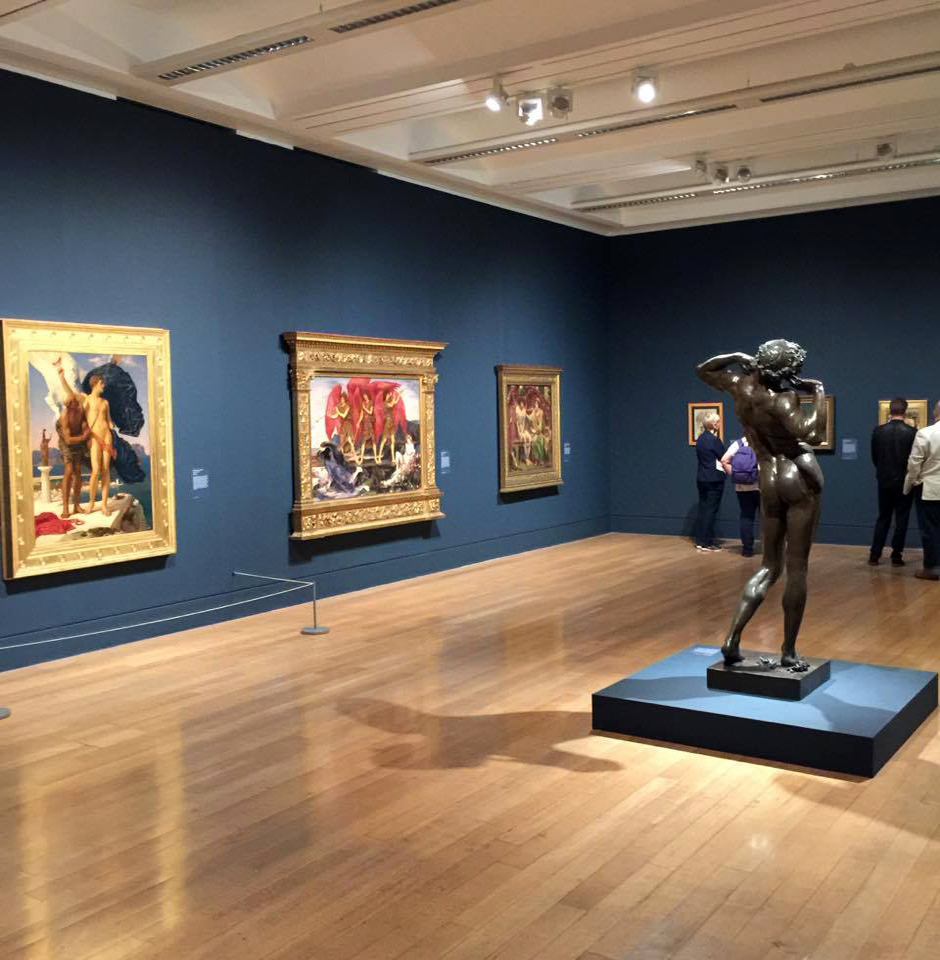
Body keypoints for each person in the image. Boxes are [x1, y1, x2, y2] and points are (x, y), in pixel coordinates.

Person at [697, 340, 826, 667]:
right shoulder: (782, 400)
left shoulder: (740, 387)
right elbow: (813, 434)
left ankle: (732, 638)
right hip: (794, 477)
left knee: (769, 565)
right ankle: (788, 650)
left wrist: (735, 355)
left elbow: (704, 369)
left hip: (766, 477)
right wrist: (819, 393)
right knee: (796, 568)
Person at [869, 397, 916, 566]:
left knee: (883, 517)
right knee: (901, 519)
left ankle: (874, 555)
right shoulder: (912, 432)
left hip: (884, 480)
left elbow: (875, 457)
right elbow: (913, 459)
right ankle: (896, 555)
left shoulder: (878, 431)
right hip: (904, 481)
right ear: (905, 411)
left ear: (890, 410)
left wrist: (882, 470)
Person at [903, 400, 940, 581]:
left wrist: (909, 484)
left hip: (930, 489)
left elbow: (914, 462)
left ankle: (932, 567)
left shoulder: (925, 433)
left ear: (935, 413)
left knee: (930, 529)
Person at [720, 436, 760, 557]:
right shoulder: (763, 441)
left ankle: (747, 549)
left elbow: (724, 461)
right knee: (768, 519)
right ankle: (771, 550)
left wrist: (736, 475)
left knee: (746, 517)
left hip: (742, 488)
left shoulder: (739, 443)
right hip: (762, 487)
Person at [693, 411, 725, 552]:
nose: (719, 424)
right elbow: (723, 457)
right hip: (714, 479)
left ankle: (700, 540)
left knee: (703, 509)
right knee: (711, 511)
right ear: (712, 424)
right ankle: (707, 542)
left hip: (701, 478)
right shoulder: (714, 440)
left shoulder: (700, 439)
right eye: (717, 422)